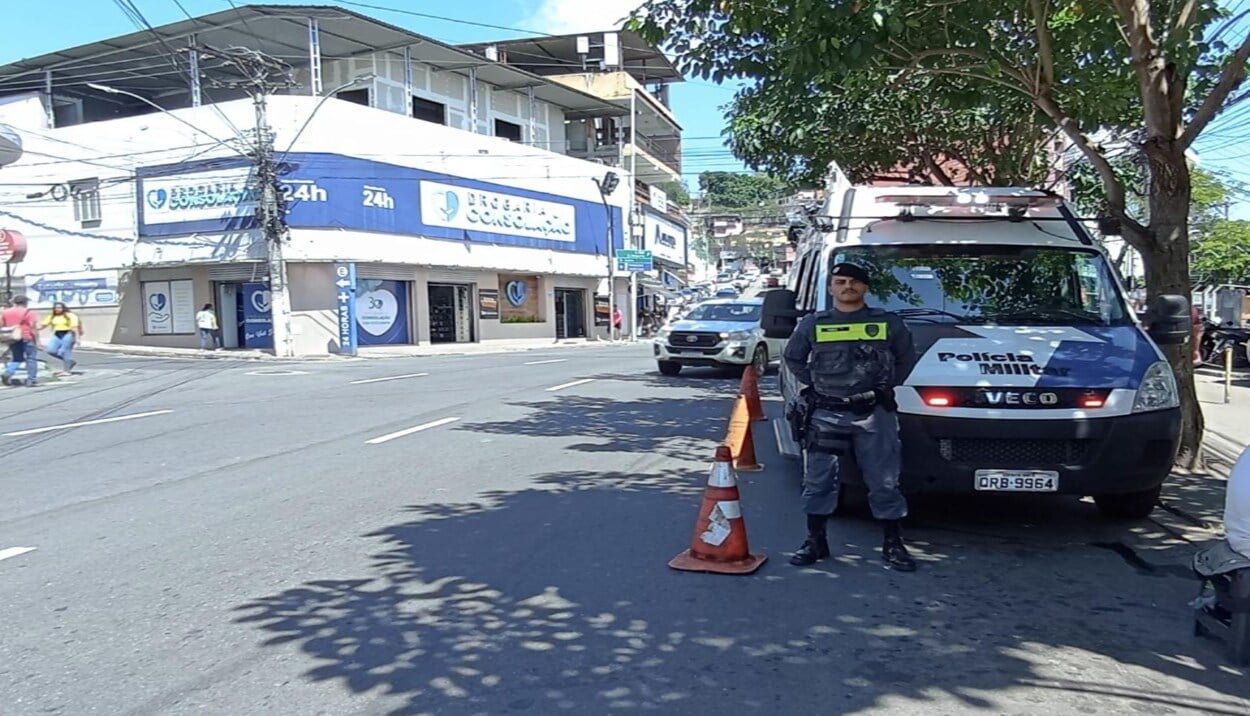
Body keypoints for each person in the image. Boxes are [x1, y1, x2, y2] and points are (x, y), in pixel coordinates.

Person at [782, 262, 918, 571]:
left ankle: (893, 544)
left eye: (855, 281)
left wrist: (885, 388)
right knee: (818, 482)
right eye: (840, 281)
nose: (847, 286)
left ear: (866, 288)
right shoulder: (813, 324)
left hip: (874, 414)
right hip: (826, 414)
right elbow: (793, 357)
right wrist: (817, 385)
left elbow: (906, 357)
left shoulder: (888, 323)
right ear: (831, 288)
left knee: (885, 481)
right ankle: (815, 542)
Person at [1, 295, 41, 387]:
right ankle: (32, 380)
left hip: (13, 337)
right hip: (26, 337)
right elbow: (33, 328)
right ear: (25, 302)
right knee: (31, 358)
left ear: (14, 302)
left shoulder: (5, 312)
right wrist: (38, 341)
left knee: (17, 358)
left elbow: (2, 324)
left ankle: (8, 372)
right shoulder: (29, 312)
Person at [40, 302, 82, 376]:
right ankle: (69, 361)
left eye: (59, 307)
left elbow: (75, 328)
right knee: (51, 350)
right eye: (56, 308)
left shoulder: (70, 316)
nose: (58, 309)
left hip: (68, 333)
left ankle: (67, 370)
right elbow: (43, 325)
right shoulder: (52, 316)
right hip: (57, 334)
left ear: (63, 308)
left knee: (65, 351)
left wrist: (77, 338)